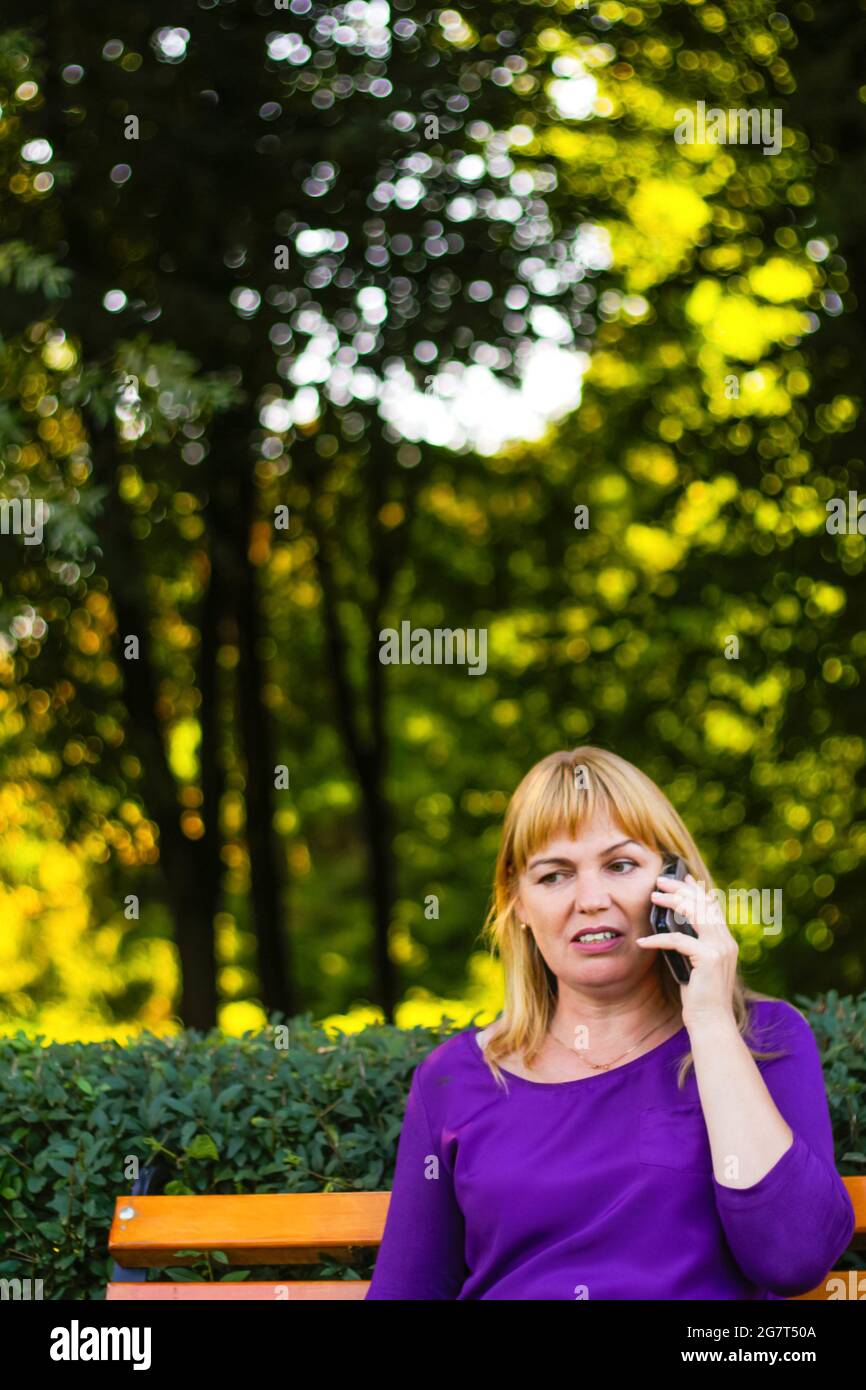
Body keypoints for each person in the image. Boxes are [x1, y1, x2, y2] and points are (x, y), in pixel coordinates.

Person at [365, 746, 855, 1300]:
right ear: (517, 903)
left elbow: (795, 1258)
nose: (591, 900)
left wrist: (711, 1022)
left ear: (674, 884)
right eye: (554, 876)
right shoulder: (455, 1079)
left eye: (620, 866)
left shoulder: (762, 1038)